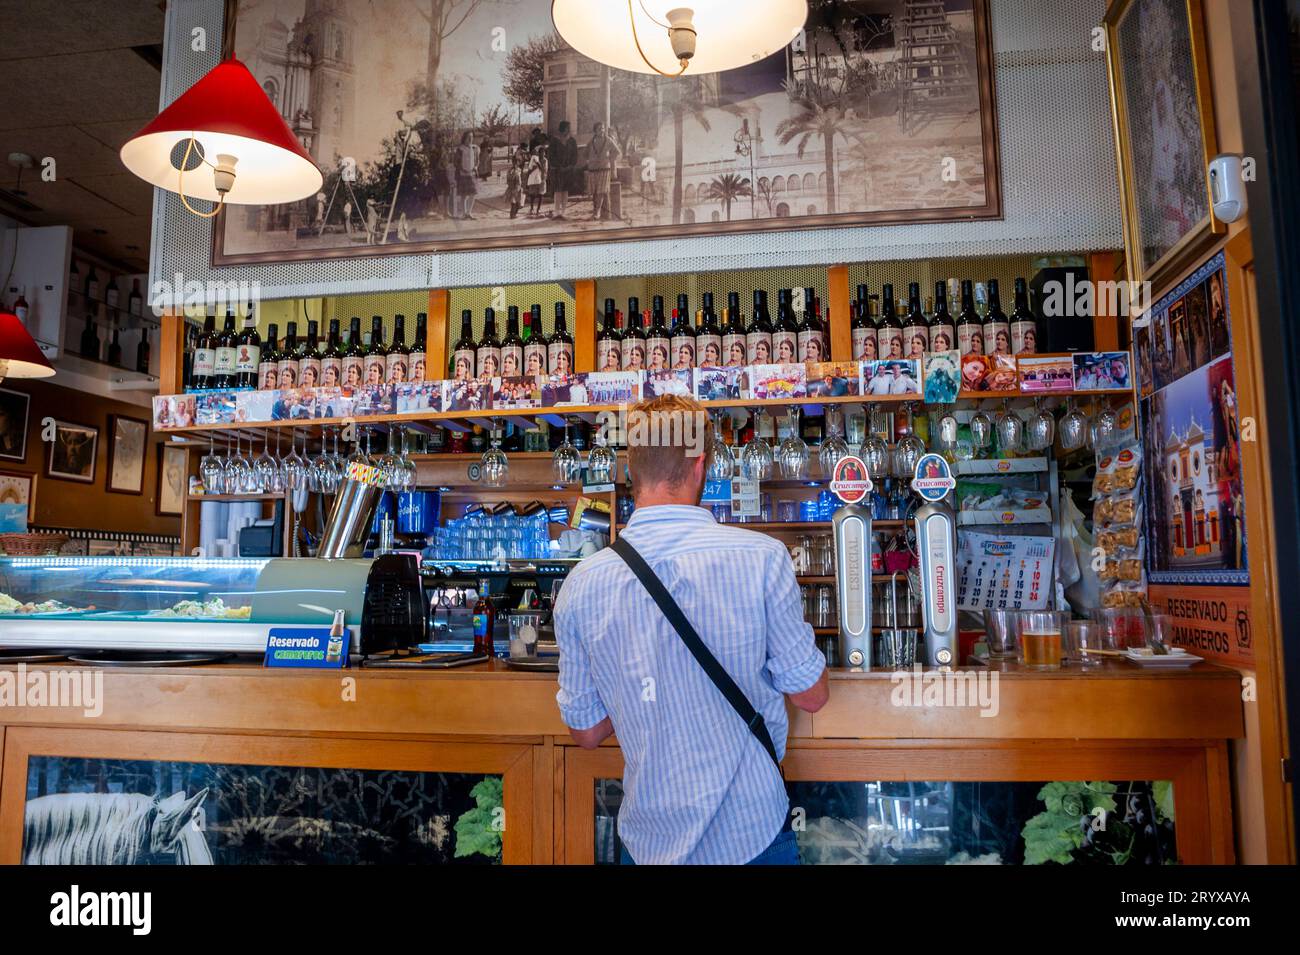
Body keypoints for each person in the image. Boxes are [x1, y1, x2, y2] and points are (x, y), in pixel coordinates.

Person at [554, 394, 828, 865]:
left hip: (650, 839)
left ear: (631, 469)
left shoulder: (582, 585)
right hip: (753, 832)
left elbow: (586, 731)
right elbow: (811, 696)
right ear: (700, 465)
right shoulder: (760, 558)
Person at [587, 121, 621, 221]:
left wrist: (609, 159)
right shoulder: (591, 141)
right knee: (594, 191)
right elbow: (585, 153)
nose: (601, 131)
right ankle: (595, 211)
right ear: (595, 131)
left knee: (601, 191)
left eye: (603, 128)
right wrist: (591, 159)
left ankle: (597, 212)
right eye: (599, 129)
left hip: (604, 169)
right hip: (593, 169)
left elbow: (617, 151)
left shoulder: (608, 140)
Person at [550, 121, 578, 220]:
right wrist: (558, 166)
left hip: (568, 170)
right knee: (558, 190)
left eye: (569, 128)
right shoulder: (555, 140)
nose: (568, 130)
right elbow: (551, 156)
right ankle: (556, 212)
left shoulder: (572, 141)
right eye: (567, 128)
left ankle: (563, 212)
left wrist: (570, 166)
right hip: (557, 170)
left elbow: (575, 155)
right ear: (563, 128)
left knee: (565, 190)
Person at [456, 131, 479, 220]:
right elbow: (456, 162)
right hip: (463, 174)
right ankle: (464, 213)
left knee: (473, 194)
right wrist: (462, 169)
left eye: (472, 137)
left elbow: (477, 160)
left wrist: (476, 167)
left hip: (472, 174)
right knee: (464, 195)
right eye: (468, 137)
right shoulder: (460, 149)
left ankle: (469, 212)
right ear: (464, 138)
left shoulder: (475, 148)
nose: (470, 139)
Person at [525, 147, 548, 218]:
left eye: (543, 152)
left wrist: (538, 166)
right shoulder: (535, 158)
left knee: (541, 194)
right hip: (535, 179)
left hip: (542, 178)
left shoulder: (545, 160)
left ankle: (539, 209)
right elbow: (530, 168)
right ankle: (532, 208)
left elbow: (544, 170)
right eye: (540, 152)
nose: (542, 154)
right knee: (532, 194)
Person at [505, 153, 523, 220]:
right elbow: (508, 180)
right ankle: (512, 215)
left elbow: (520, 179)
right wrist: (512, 187)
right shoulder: (511, 171)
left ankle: (513, 214)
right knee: (514, 202)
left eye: (517, 162)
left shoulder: (518, 169)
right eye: (515, 162)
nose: (516, 163)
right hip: (514, 188)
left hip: (518, 188)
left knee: (518, 203)